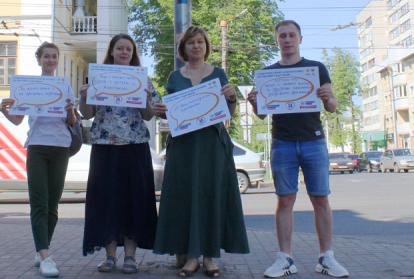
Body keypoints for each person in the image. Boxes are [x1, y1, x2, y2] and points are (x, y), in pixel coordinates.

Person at [247, 20, 349, 278]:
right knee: (285, 200)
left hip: (314, 141)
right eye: (282, 36)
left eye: (292, 35)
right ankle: (285, 258)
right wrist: (253, 103)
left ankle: (327, 257)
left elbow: (332, 107)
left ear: (300, 39)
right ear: (277, 40)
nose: (287, 40)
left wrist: (329, 97)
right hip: (282, 142)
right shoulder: (267, 73)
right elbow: (261, 115)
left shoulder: (316, 68)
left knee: (321, 199)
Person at [151, 26, 249, 278]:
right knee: (186, 199)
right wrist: (161, 111)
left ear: (207, 46)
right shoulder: (175, 76)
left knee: (211, 197)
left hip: (212, 146)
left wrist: (232, 98)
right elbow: (171, 114)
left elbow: (228, 112)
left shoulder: (218, 73)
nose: (196, 46)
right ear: (183, 48)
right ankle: (191, 257)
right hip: (183, 147)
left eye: (200, 42)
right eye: (191, 42)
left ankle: (209, 257)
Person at [79, 34, 159, 274]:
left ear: (133, 53)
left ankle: (131, 256)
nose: (124, 52)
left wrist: (144, 98)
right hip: (105, 147)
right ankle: (110, 255)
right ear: (112, 52)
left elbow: (148, 116)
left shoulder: (143, 79)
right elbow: (87, 114)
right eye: (120, 48)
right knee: (107, 201)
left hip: (135, 147)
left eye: (129, 49)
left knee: (134, 200)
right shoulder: (98, 77)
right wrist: (84, 97)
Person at [0, 42, 78, 278]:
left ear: (58, 60)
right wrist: (4, 110)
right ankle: (44, 255)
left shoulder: (64, 87)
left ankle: (41, 249)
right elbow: (17, 120)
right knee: (39, 202)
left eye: (54, 57)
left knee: (53, 205)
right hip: (37, 148)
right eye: (46, 57)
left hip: (60, 148)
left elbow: (72, 122)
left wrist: (71, 110)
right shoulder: (27, 87)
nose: (51, 60)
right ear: (39, 60)